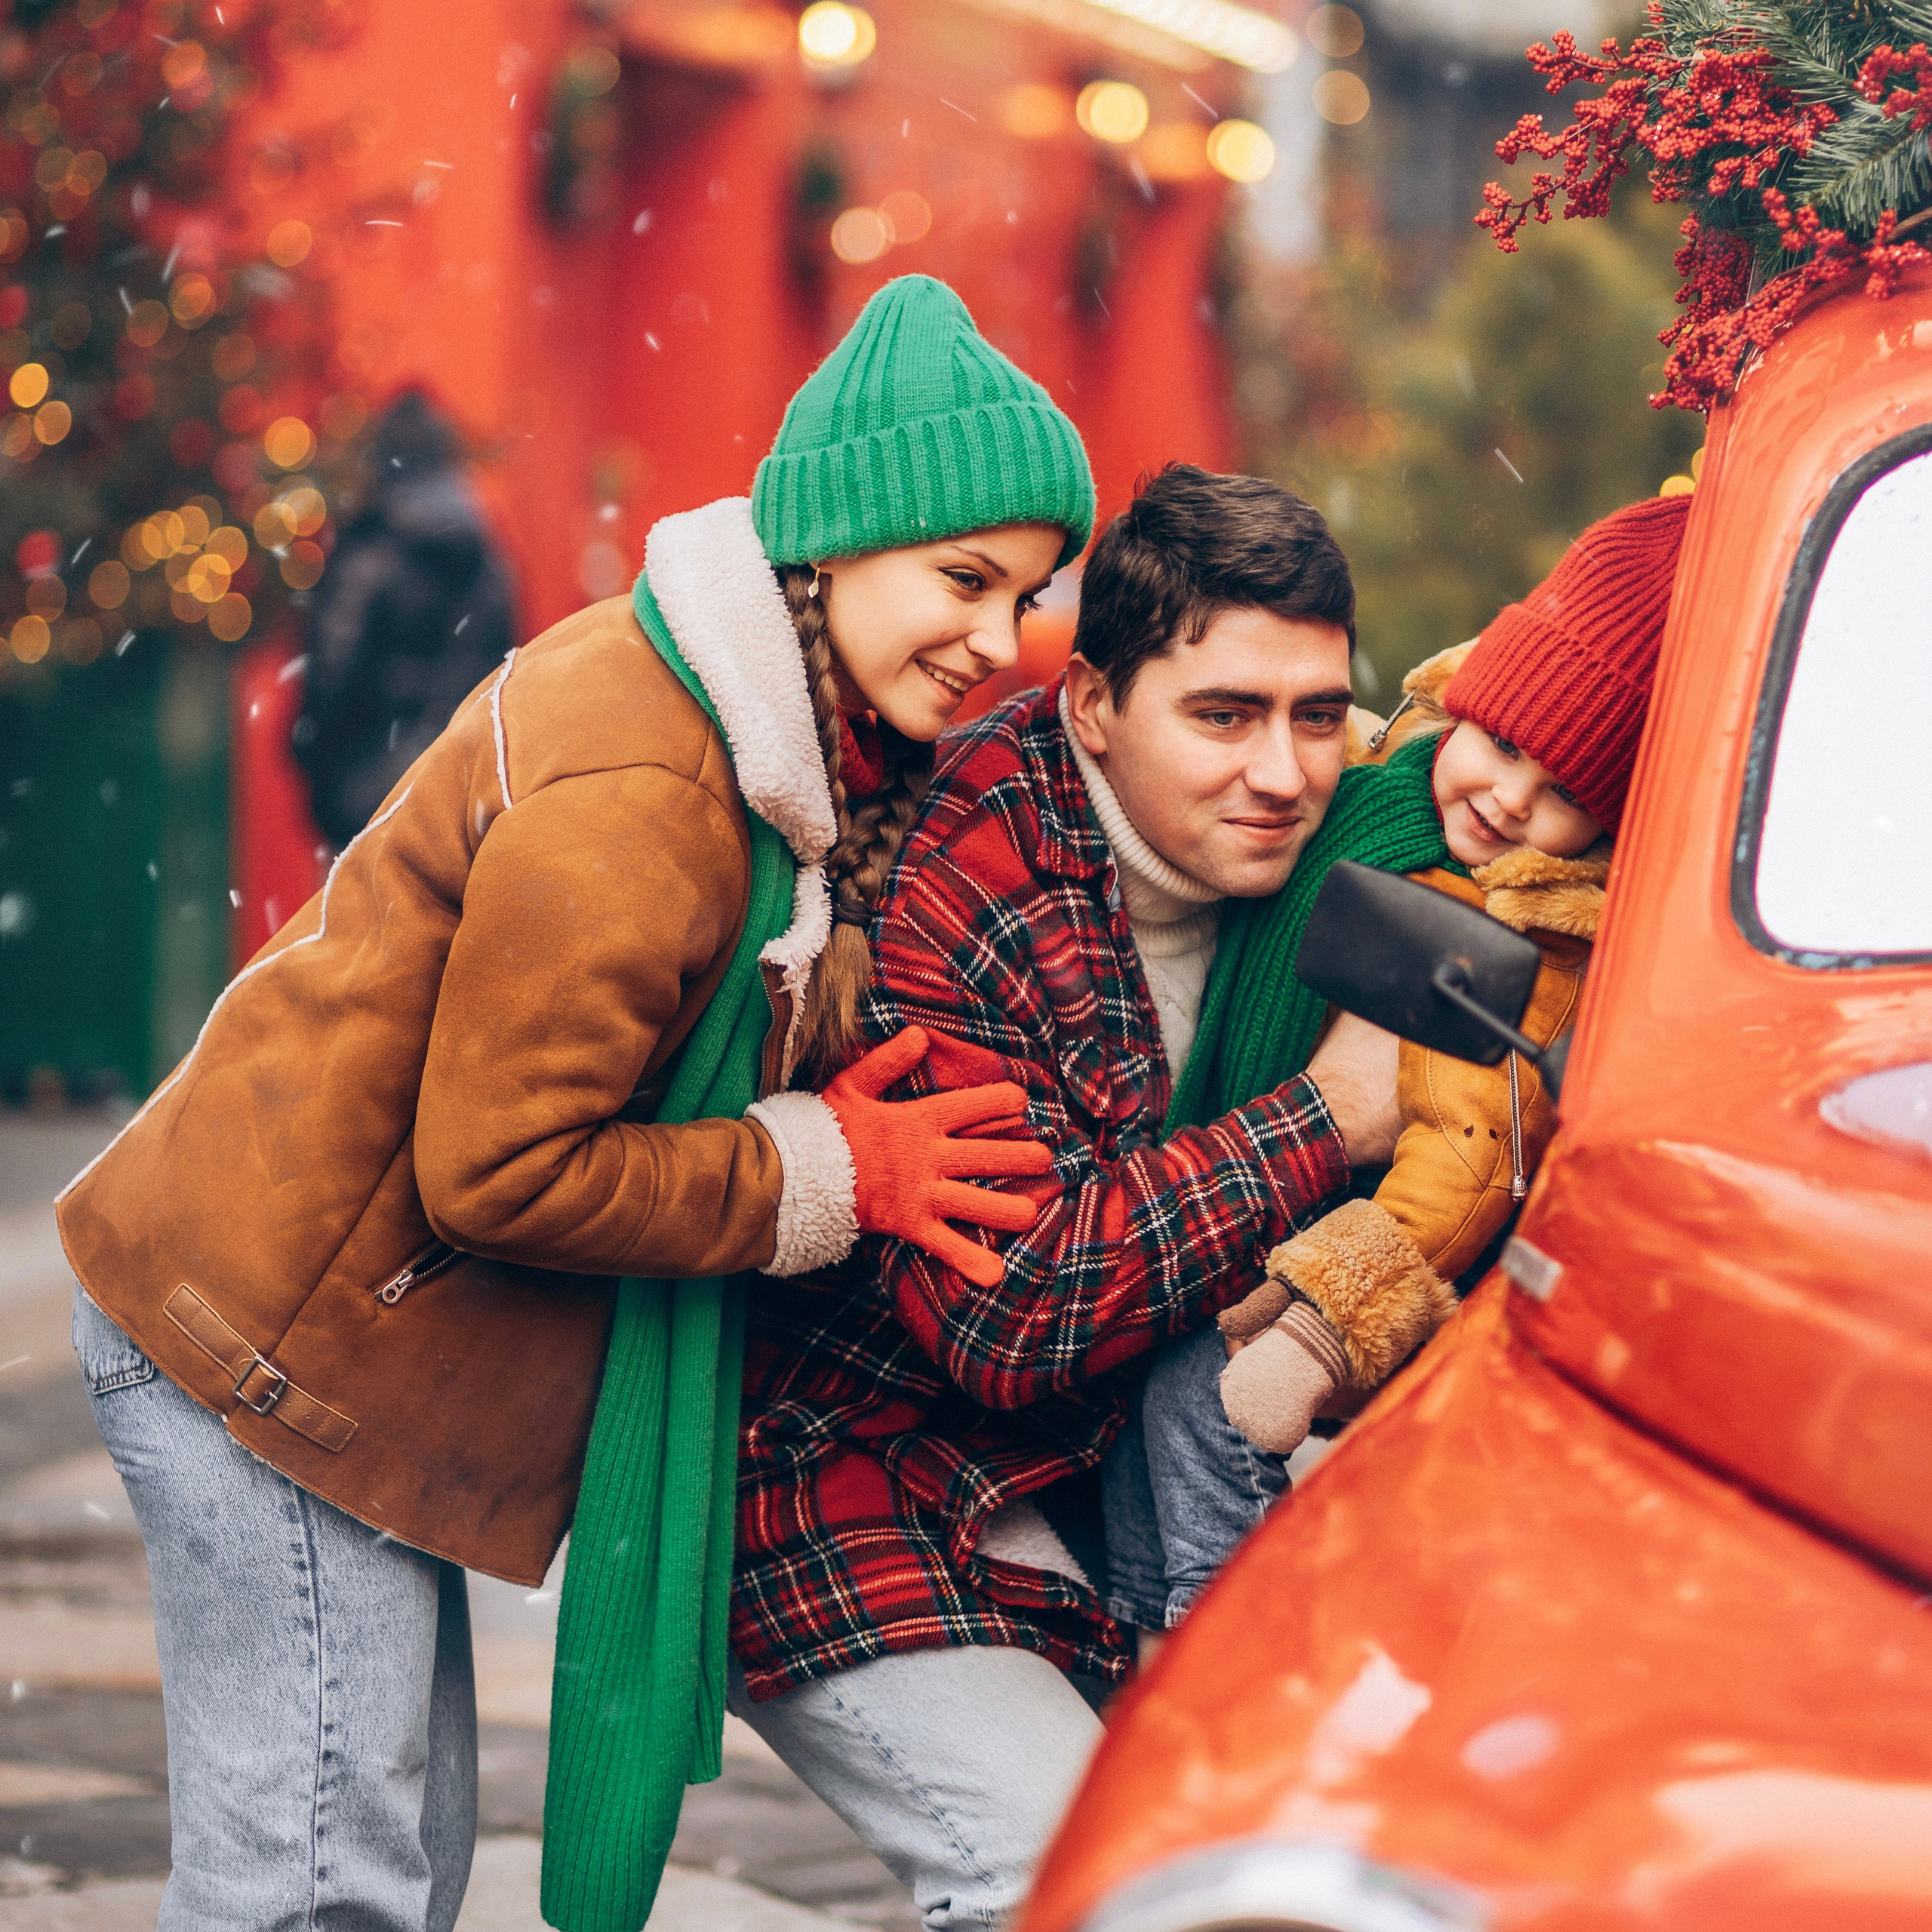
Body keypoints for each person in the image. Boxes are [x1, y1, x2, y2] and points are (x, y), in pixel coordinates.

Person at [56, 272, 1083, 1932]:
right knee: (318, 1889)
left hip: (327, 1330)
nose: (996, 634)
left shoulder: (762, 735)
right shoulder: (656, 774)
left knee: (383, 1868)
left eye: (1028, 593)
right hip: (263, 1330)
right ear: (825, 549)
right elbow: (503, 1166)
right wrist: (820, 1169)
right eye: (961, 578)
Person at [715, 463, 1414, 1930]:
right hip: (844, 1460)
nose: (1282, 770)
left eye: (1315, 712)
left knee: (1299, 1829)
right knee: (1055, 1865)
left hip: (1089, 1458)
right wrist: (1325, 1115)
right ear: (1092, 703)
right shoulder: (966, 876)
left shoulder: (1343, 841)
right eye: (1222, 714)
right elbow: (1010, 1310)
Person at [1121, 491, 1692, 1636]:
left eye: (1568, 797)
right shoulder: (1380, 774)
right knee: (1138, 1425)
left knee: (1204, 1402)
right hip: (1255, 1201)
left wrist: (1321, 1331)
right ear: (1467, 702)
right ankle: (1143, 1634)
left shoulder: (1506, 934)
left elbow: (1469, 1151)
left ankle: (1235, 1640)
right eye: (1505, 744)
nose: (1510, 798)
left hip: (1358, 1276)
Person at [293, 389, 517, 851]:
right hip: (459, 800)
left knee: (351, 922)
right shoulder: (490, 559)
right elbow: (508, 678)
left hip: (364, 800)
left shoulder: (368, 556)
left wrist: (311, 756)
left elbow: (331, 677)